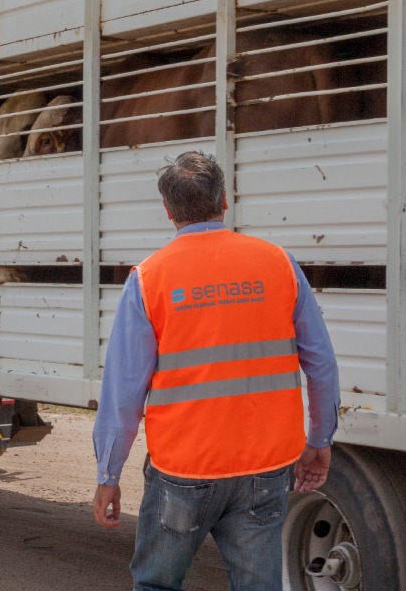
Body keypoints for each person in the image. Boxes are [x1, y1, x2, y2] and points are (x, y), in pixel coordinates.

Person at [91, 150, 340, 590]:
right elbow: (320, 361)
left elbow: (122, 393)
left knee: (156, 585)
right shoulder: (278, 264)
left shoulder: (149, 279)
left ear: (168, 212)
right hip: (265, 465)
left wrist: (109, 475)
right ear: (224, 200)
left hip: (185, 468)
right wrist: (319, 439)